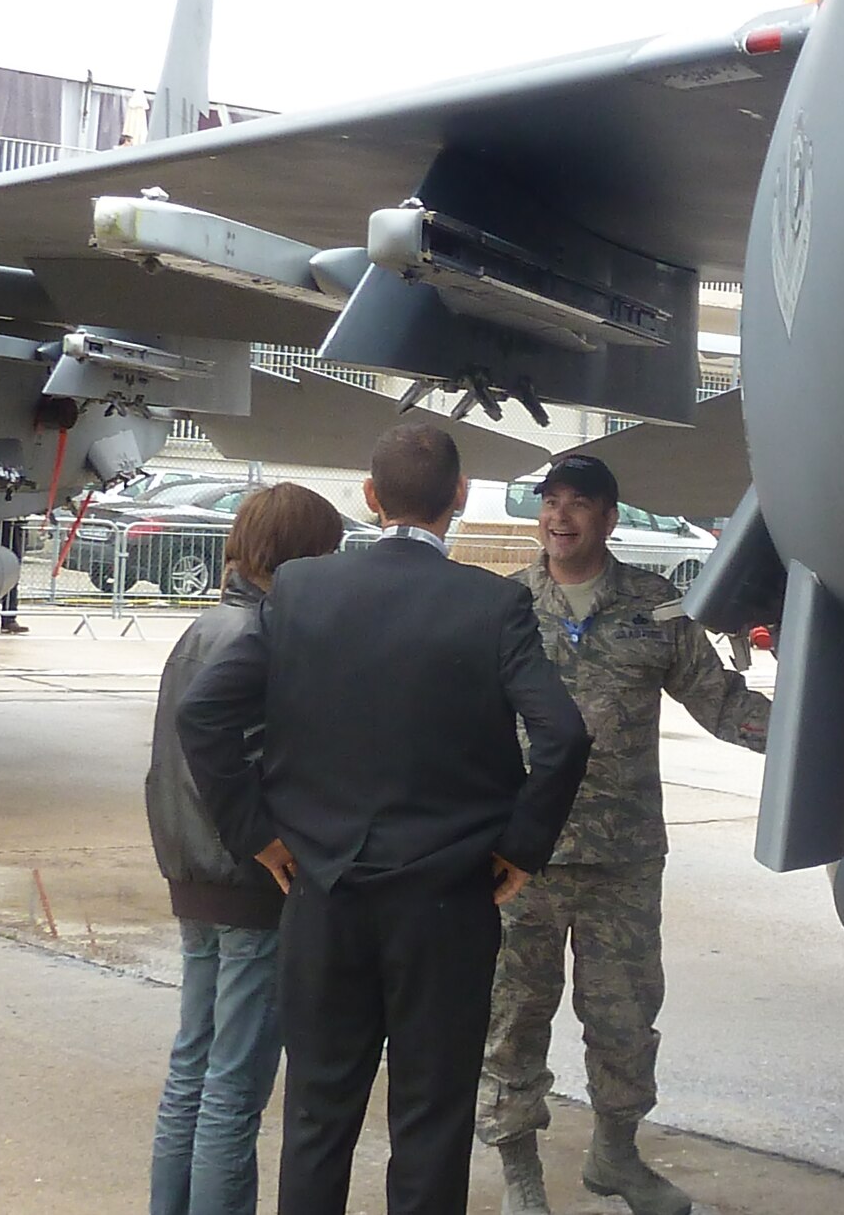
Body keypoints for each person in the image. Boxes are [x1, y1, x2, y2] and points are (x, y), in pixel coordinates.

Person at [178, 422, 592, 1215]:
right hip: (447, 901)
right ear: (460, 500)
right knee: (432, 1120)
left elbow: (205, 716)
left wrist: (257, 833)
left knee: (316, 1117)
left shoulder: (301, 589)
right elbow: (564, 735)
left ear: (369, 499)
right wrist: (521, 847)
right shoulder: (494, 601)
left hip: (324, 891)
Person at [478, 455, 770, 1215]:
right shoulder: (504, 606)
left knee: (625, 1016)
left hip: (624, 857)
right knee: (512, 1017)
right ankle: (521, 1177)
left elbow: (722, 702)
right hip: (521, 862)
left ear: (611, 519)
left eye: (580, 503)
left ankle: (616, 1159)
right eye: (550, 502)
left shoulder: (655, 607)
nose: (560, 516)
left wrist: (815, 731)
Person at [148, 483, 346, 1215]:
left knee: (193, 1070)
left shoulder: (202, 627)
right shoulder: (263, 638)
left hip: (191, 870)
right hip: (249, 881)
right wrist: (265, 841)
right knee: (234, 1087)